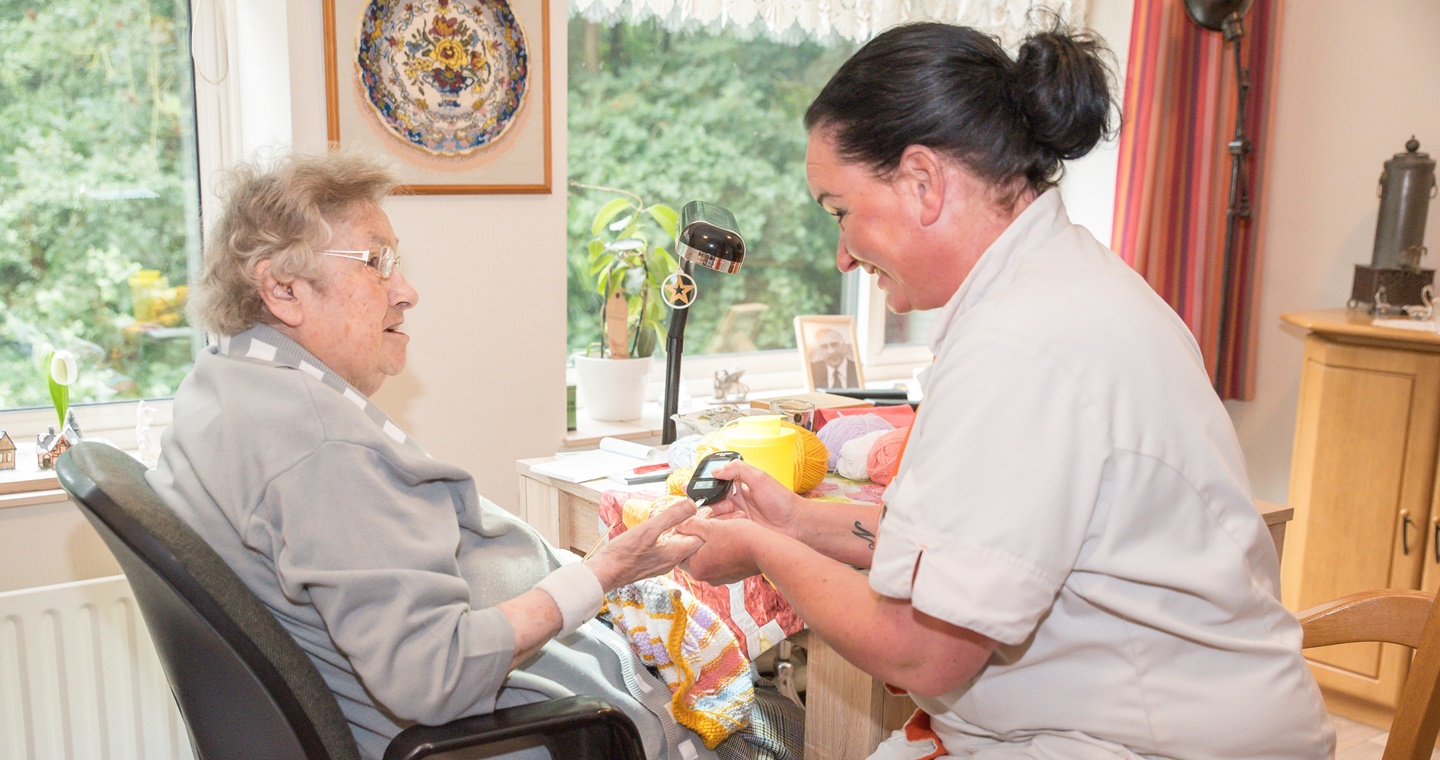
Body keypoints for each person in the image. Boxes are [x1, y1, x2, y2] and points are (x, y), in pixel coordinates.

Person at [676, 21, 1334, 760]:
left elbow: (921, 651)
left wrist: (763, 551)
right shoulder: (1059, 286)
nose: (842, 252)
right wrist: (797, 522)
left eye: (841, 211)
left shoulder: (1022, 343)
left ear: (922, 181)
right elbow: (963, 548)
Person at [146, 151, 800, 760]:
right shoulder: (318, 445)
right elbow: (434, 676)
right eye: (375, 263)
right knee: (781, 724)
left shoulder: (221, 385)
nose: (406, 290)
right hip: (547, 735)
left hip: (516, 697)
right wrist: (598, 576)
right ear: (282, 290)